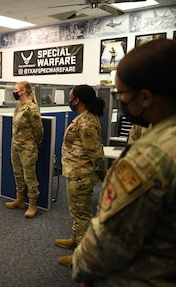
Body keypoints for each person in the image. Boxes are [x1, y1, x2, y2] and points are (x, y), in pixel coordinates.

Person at [72, 39, 176, 286]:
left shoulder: (150, 157)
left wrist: (81, 270)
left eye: (122, 94)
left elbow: (108, 242)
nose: (120, 101)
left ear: (146, 97)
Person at [56, 84, 106, 267]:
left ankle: (82, 256)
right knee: (77, 212)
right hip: (76, 173)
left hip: (82, 176)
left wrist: (104, 177)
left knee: (82, 215)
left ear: (78, 100)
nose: (70, 100)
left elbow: (96, 154)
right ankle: (75, 239)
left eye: (71, 97)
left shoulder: (86, 122)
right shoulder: (82, 118)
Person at [5, 81, 44, 218]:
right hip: (16, 145)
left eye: (16, 89)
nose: (14, 92)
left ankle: (33, 204)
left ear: (23, 91)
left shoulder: (31, 108)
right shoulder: (18, 106)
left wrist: (35, 145)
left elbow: (39, 130)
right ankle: (20, 200)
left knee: (29, 176)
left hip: (28, 148)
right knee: (18, 174)